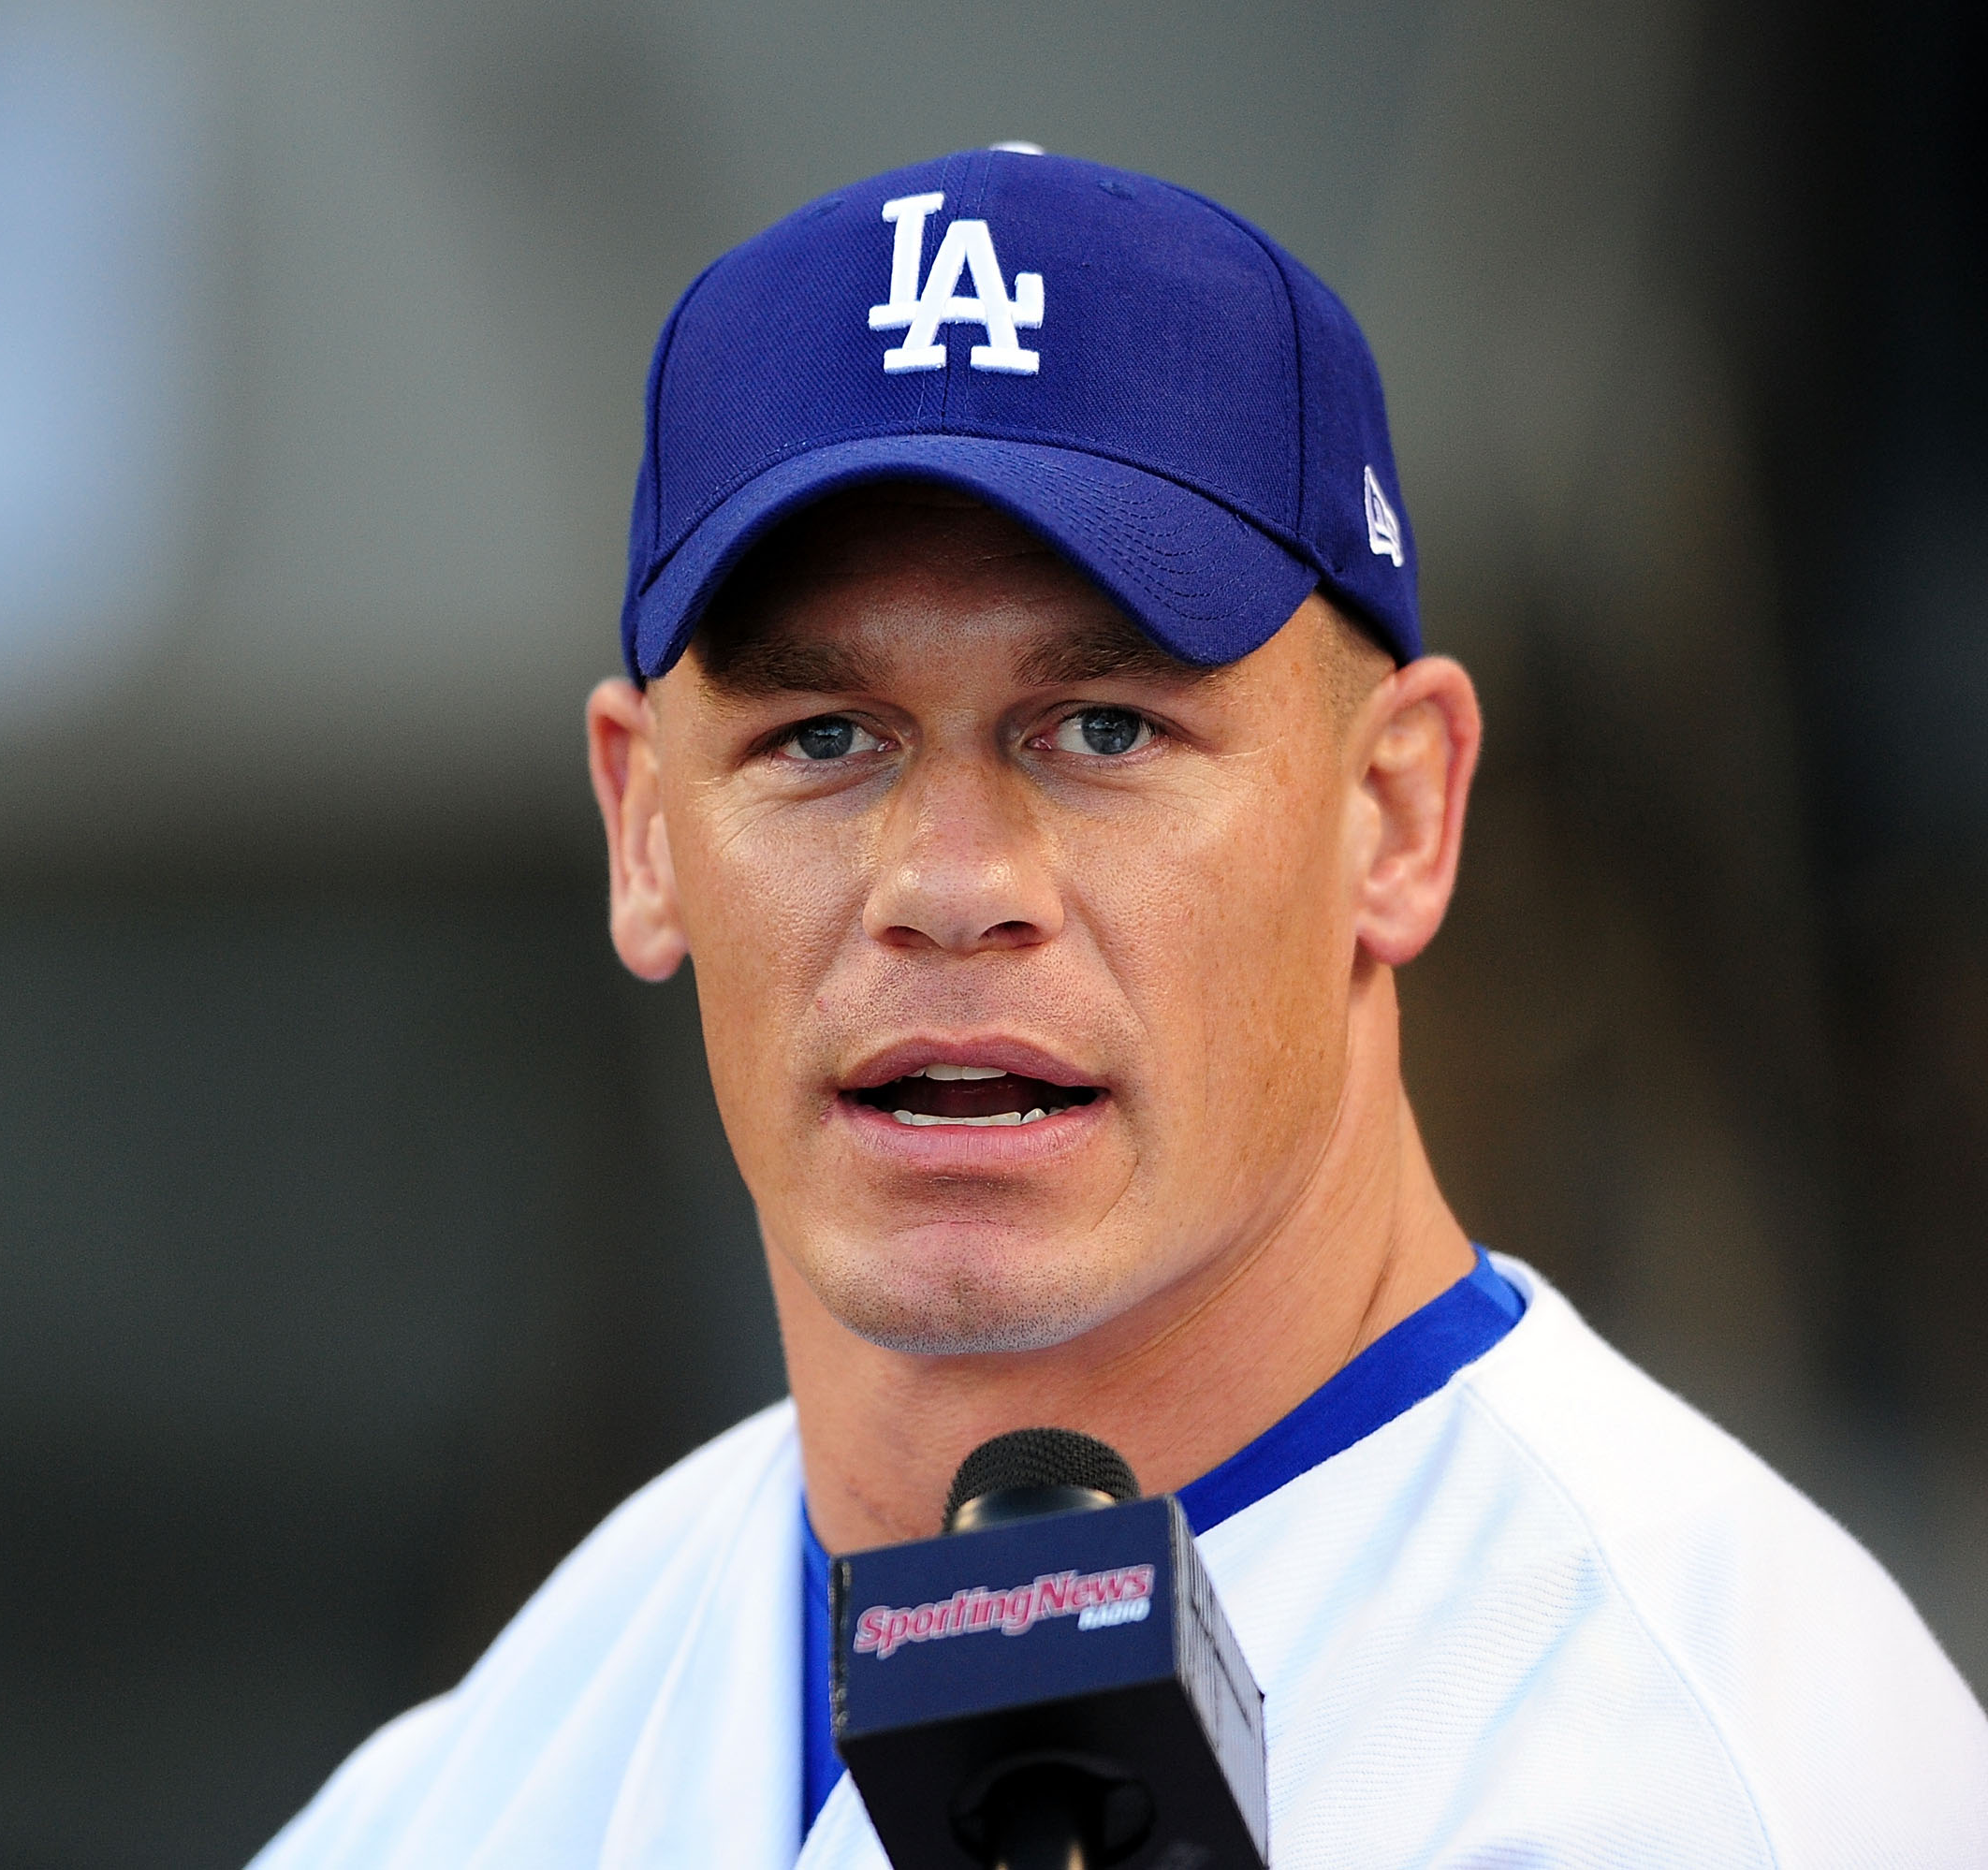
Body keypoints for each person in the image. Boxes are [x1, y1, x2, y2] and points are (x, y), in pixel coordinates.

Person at [251, 148, 1988, 1869]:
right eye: (822, 738)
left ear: (1397, 815)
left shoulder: (1701, 1775)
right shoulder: (487, 1781)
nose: (947, 882)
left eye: (1103, 729)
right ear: (644, 831)